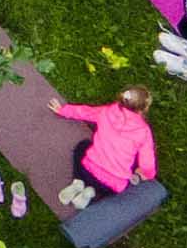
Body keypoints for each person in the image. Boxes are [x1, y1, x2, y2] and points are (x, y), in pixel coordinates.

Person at [44, 82, 157, 212]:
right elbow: (147, 162)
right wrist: (148, 175)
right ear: (143, 109)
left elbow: (86, 112)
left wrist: (63, 110)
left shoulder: (108, 111)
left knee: (83, 146)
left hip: (87, 170)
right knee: (128, 169)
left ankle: (78, 182)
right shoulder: (144, 131)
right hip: (112, 185)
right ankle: (91, 193)